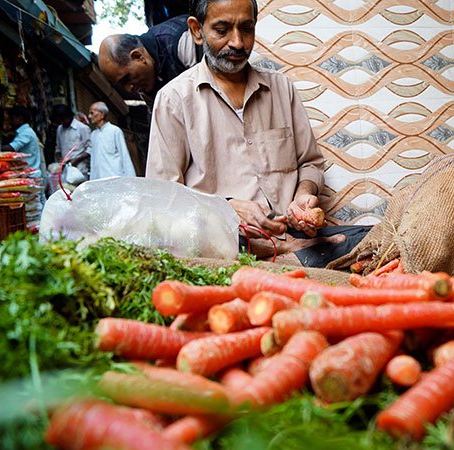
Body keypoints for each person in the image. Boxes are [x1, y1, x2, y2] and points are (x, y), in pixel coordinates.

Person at [145, 0, 369, 268]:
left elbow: (310, 163)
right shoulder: (173, 100)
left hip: (292, 233)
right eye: (222, 29)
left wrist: (303, 196)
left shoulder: (281, 88)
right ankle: (287, 255)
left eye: (246, 28)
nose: (238, 43)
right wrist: (227, 208)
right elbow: (163, 199)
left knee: (371, 241)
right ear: (196, 30)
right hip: (225, 244)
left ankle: (291, 253)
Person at [97, 16, 200, 100]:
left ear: (138, 56)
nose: (129, 89)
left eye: (127, 78)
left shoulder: (180, 40)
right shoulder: (146, 83)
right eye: (122, 84)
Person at [87, 102, 136, 180]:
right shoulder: (94, 135)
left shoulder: (114, 131)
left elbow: (124, 155)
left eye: (92, 113)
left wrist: (131, 179)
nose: (89, 116)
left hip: (114, 178)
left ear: (102, 114)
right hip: (99, 180)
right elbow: (93, 160)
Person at [51, 103, 91, 181]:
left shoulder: (82, 128)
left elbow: (90, 149)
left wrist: (76, 160)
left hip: (80, 169)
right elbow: (58, 148)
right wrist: (60, 159)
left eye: (62, 120)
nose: (62, 122)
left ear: (68, 117)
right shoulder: (60, 129)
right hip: (65, 169)